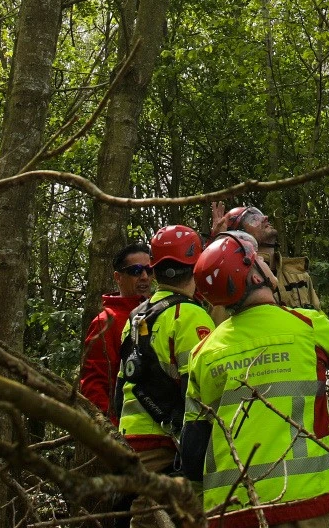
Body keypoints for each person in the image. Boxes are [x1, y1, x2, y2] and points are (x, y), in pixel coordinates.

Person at [178, 231, 329, 528]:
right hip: (304, 501)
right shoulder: (304, 324)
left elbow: (192, 449)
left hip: (231, 508)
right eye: (258, 259)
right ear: (254, 274)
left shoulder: (204, 353)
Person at [119, 225, 215, 528]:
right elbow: (200, 388)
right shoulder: (191, 315)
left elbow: (122, 383)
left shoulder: (136, 317)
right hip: (166, 444)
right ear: (196, 267)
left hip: (130, 438)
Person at [78, 240, 154, 415]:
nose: (144, 276)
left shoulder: (159, 311)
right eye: (135, 271)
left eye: (149, 270)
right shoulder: (105, 322)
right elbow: (94, 385)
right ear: (118, 277)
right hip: (125, 430)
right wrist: (111, 432)